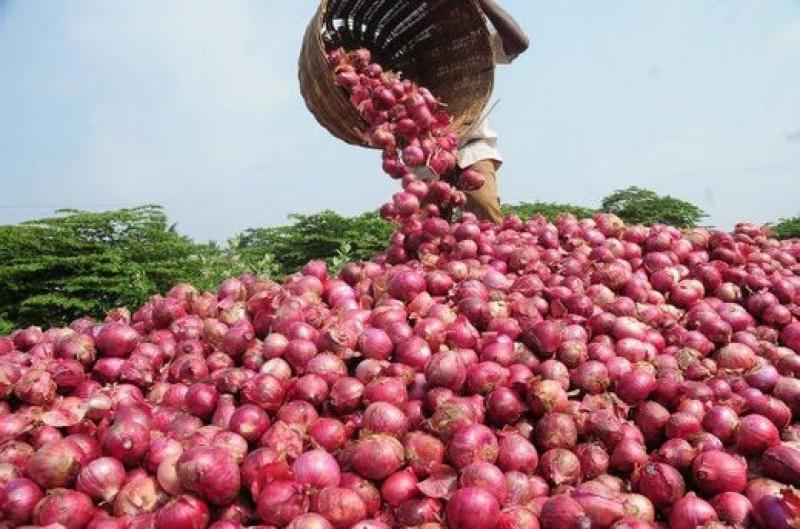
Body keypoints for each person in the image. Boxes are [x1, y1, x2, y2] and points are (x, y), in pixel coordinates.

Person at [418, 0, 529, 223]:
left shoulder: (474, 42)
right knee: (424, 231)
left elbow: (518, 44)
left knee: (485, 214)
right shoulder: (414, 49)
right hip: (427, 155)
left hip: (472, 148)